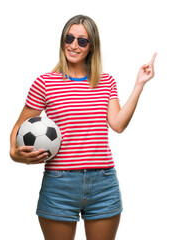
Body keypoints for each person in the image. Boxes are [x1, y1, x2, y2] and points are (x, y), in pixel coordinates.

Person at [10, 15, 157, 240]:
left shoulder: (106, 82)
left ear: (92, 46)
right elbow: (20, 126)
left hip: (104, 183)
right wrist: (15, 153)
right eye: (69, 38)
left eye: (82, 41)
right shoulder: (45, 83)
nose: (73, 45)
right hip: (59, 183)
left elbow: (117, 125)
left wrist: (139, 85)